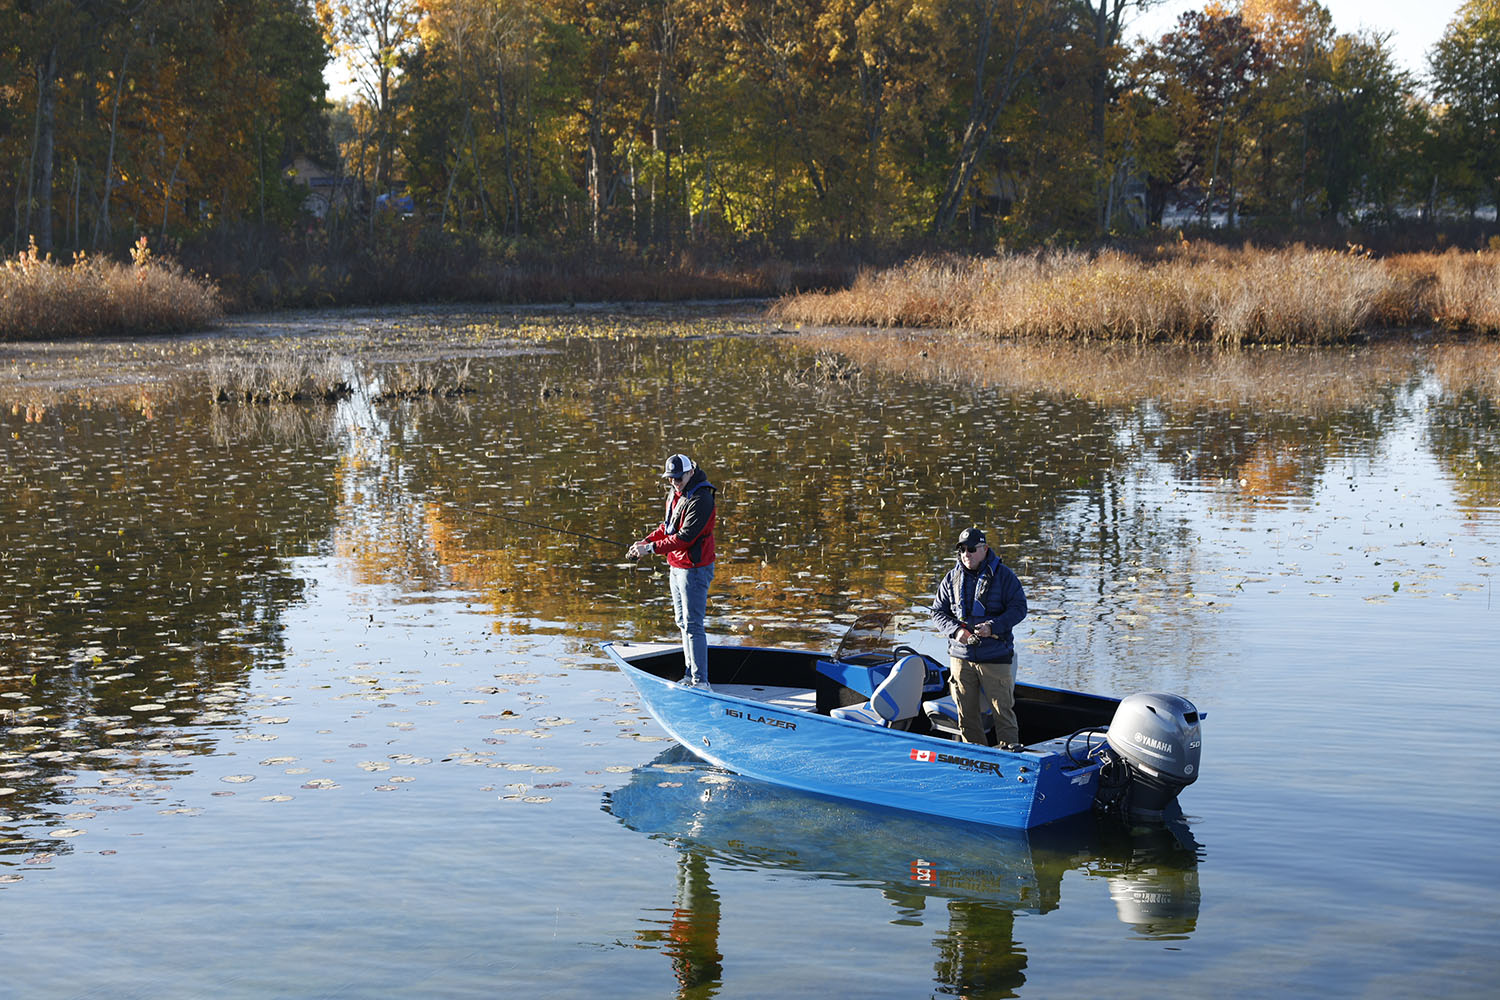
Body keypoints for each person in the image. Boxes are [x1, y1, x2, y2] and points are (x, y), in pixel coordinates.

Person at [929, 526, 1028, 748]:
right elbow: (937, 613)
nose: (966, 554)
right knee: (966, 717)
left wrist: (992, 627)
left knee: (1003, 714)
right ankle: (975, 759)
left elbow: (1019, 608)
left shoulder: (1005, 576)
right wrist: (957, 632)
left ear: (984, 549)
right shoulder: (951, 578)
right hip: (960, 658)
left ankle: (1010, 755)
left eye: (972, 549)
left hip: (995, 658)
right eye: (962, 549)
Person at [628, 454, 718, 688]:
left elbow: (685, 537)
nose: (674, 482)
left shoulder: (701, 499)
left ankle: (700, 681)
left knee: (693, 624)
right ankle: (689, 675)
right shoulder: (676, 493)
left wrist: (651, 549)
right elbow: (668, 527)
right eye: (670, 478)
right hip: (676, 566)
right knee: (682, 622)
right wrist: (645, 542)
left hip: (694, 569)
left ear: (690, 473)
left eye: (678, 478)